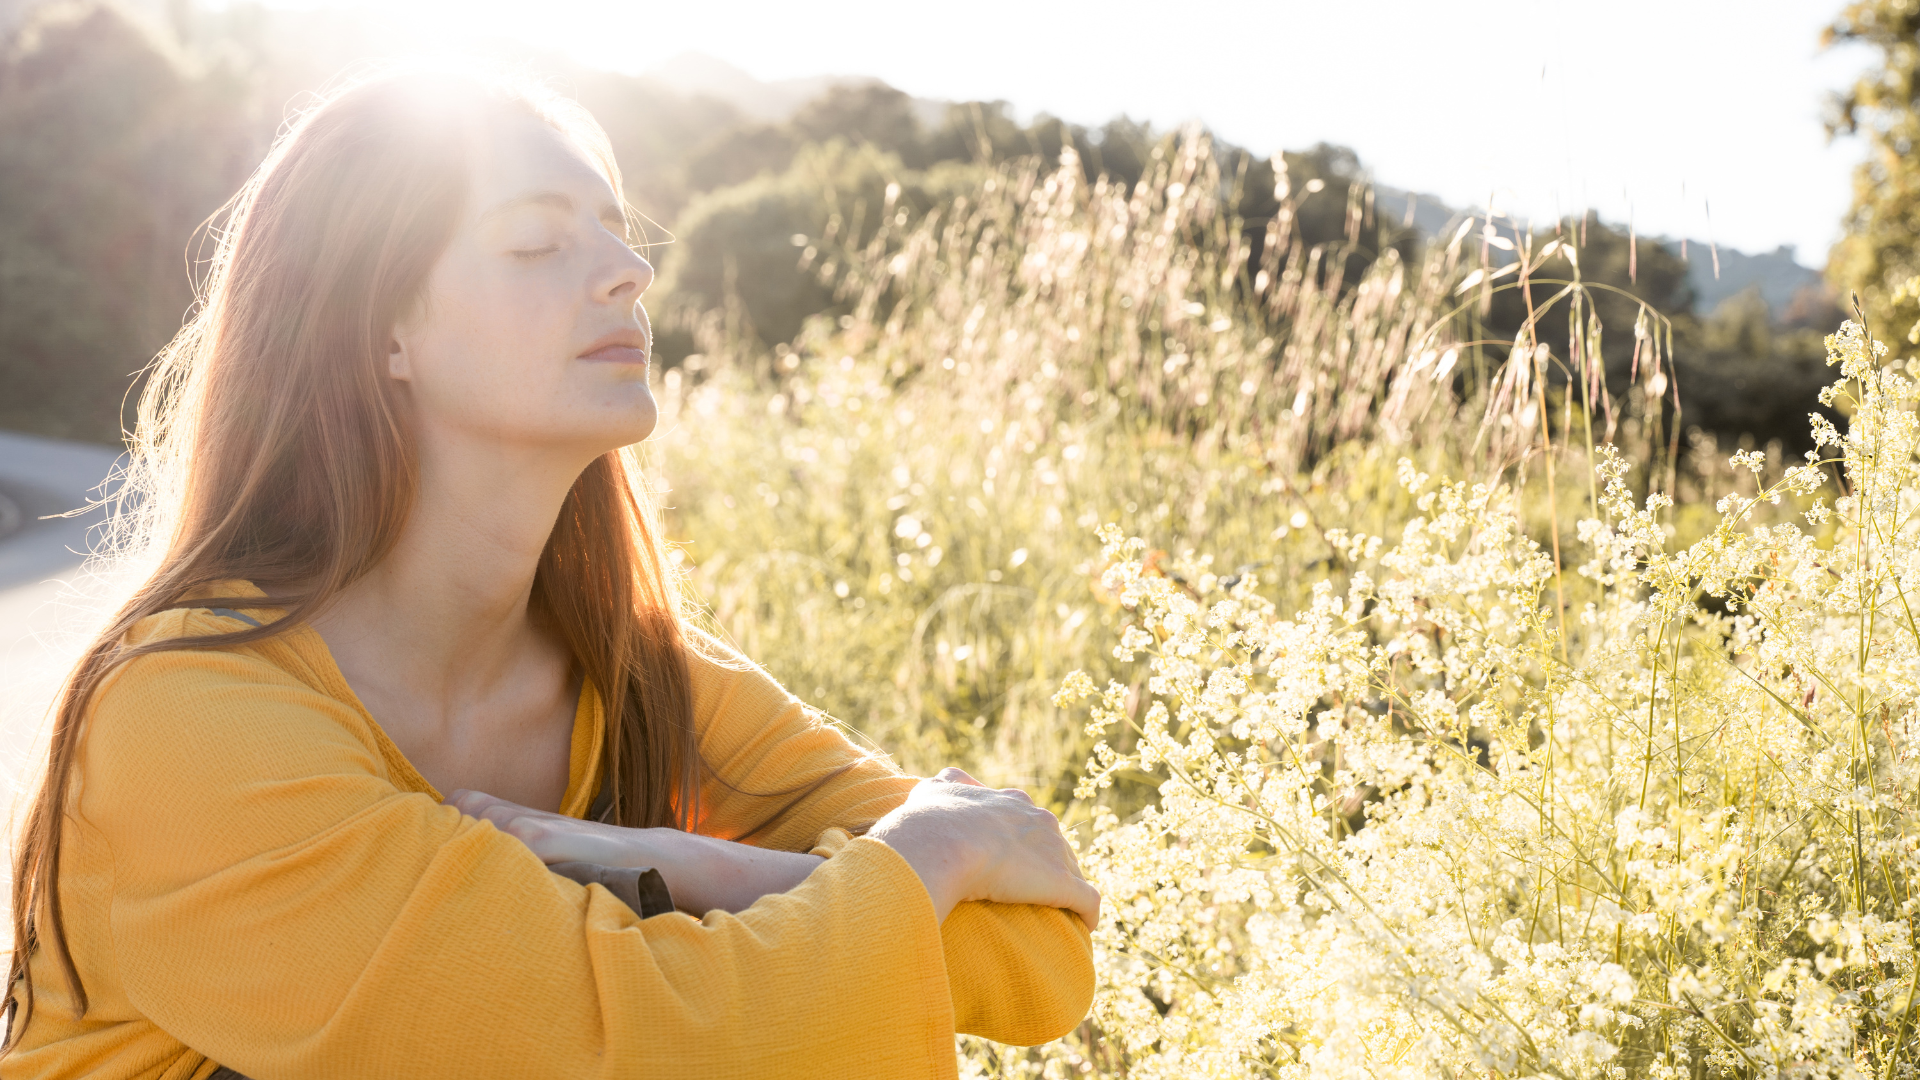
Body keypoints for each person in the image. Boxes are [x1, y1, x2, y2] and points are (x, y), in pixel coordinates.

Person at [1, 64, 1098, 1079]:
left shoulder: (640, 678)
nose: (632, 273)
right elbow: (634, 1044)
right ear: (378, 326)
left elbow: (1044, 956)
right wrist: (912, 868)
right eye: (537, 244)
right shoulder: (186, 717)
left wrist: (690, 865)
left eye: (620, 237)